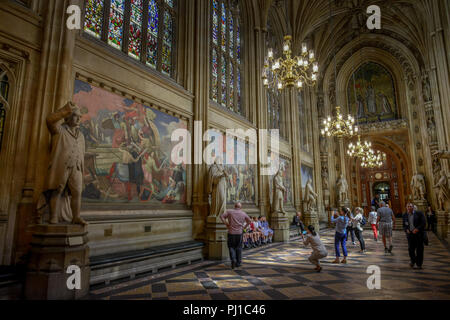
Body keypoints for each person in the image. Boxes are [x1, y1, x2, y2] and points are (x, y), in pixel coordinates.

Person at [220, 202, 252, 269]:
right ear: (240, 207)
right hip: (239, 233)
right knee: (239, 248)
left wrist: (226, 223)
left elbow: (221, 216)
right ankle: (238, 262)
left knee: (231, 247)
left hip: (231, 232)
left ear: (234, 206)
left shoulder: (229, 211)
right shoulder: (243, 213)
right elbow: (249, 221)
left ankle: (233, 260)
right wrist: (244, 227)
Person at [403, 203, 426, 269]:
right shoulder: (405, 215)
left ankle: (419, 264)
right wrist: (406, 229)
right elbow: (404, 225)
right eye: (408, 206)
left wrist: (417, 229)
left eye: (410, 206)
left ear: (413, 207)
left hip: (418, 234)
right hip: (410, 235)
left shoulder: (419, 213)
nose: (409, 208)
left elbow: (423, 223)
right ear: (406, 207)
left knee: (419, 249)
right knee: (410, 249)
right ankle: (413, 260)